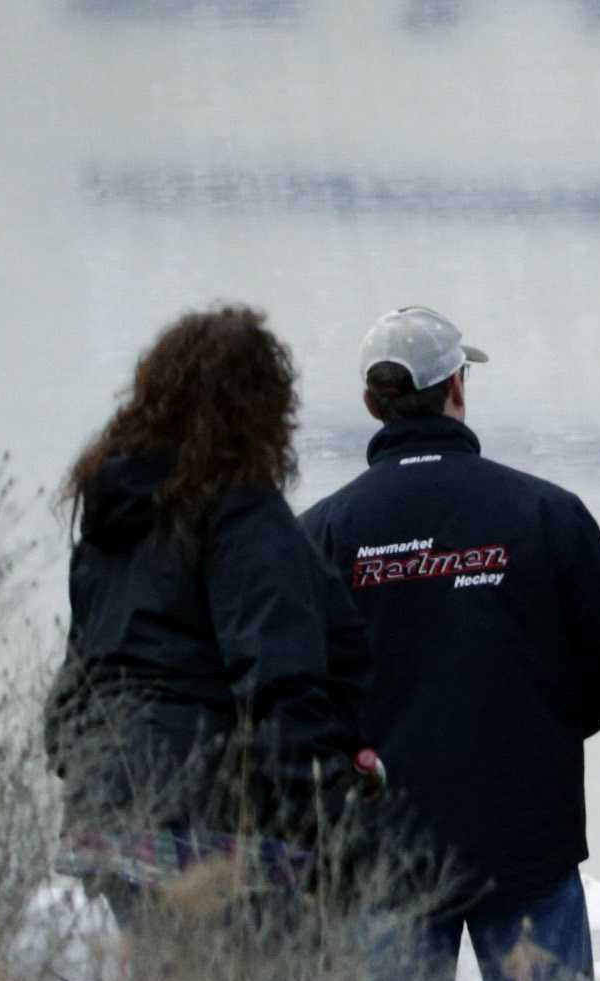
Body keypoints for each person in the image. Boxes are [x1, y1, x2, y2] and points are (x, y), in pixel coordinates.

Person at [303, 307, 600, 981]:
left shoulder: (325, 532)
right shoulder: (546, 514)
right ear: (457, 386)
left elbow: (297, 694)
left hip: (382, 856)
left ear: (374, 401)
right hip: (525, 844)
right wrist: (545, 734)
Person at [46, 307, 382, 934]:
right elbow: (278, 679)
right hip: (208, 815)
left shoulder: (111, 522)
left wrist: (87, 764)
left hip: (109, 806)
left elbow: (82, 673)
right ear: (260, 409)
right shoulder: (243, 514)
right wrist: (329, 817)